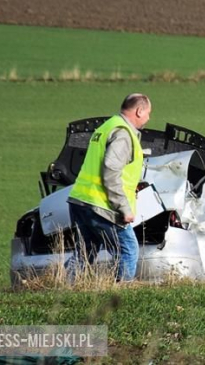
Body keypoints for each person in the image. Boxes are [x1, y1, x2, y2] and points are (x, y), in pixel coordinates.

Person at [66, 93, 152, 282]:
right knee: (128, 249)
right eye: (148, 113)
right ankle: (119, 297)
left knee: (84, 252)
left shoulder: (107, 126)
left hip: (81, 199)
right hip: (102, 204)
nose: (148, 119)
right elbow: (111, 170)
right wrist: (123, 207)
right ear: (139, 111)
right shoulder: (123, 133)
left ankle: (65, 288)